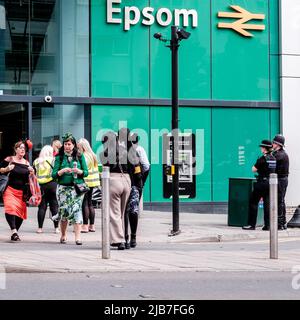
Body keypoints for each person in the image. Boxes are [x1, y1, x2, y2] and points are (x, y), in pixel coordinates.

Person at [100, 131, 140, 250]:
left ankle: (119, 240)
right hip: (126, 180)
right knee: (123, 212)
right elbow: (136, 166)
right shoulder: (126, 151)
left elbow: (105, 167)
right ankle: (126, 238)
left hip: (113, 180)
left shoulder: (104, 153)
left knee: (114, 213)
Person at [51, 133, 88, 245]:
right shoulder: (59, 157)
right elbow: (53, 175)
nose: (67, 146)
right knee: (64, 212)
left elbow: (86, 172)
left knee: (77, 211)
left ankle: (78, 238)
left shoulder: (80, 156)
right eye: (65, 144)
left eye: (69, 144)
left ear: (74, 145)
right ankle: (63, 235)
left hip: (76, 189)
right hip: (62, 189)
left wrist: (79, 171)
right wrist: (62, 171)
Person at [0, 141, 34, 241]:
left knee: (20, 214)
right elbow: (0, 169)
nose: (23, 149)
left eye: (24, 148)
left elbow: (29, 178)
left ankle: (15, 232)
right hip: (10, 189)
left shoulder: (27, 163)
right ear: (16, 150)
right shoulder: (9, 159)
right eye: (20, 147)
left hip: (22, 192)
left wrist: (32, 172)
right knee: (10, 208)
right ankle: (14, 231)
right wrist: (6, 169)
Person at [242, 140, 276, 231]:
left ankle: (251, 224)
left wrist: (257, 164)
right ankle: (267, 225)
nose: (261, 148)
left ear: (264, 148)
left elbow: (253, 169)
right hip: (270, 184)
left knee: (253, 202)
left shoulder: (262, 159)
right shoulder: (273, 158)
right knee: (267, 204)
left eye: (262, 147)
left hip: (262, 183)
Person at [124, 132, 150, 249]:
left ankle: (124, 237)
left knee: (122, 211)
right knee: (133, 210)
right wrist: (141, 182)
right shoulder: (139, 149)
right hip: (135, 184)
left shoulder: (118, 150)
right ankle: (133, 237)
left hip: (124, 182)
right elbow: (146, 166)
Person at [33, 145, 59, 234]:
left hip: (41, 186)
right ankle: (56, 228)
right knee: (54, 206)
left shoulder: (36, 161)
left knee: (42, 207)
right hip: (52, 185)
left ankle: (40, 228)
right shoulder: (53, 160)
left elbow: (34, 174)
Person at [77, 138, 100, 233]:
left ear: (82, 147)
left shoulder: (84, 156)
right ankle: (92, 225)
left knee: (84, 203)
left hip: (86, 181)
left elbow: (83, 169)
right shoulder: (93, 155)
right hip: (93, 182)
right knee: (90, 203)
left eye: (79, 147)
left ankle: (85, 225)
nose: (78, 148)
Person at [272, 134, 289, 230]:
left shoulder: (280, 155)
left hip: (281, 180)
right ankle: (281, 222)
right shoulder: (278, 153)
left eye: (274, 142)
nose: (272, 144)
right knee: (280, 200)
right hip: (280, 179)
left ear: (278, 144)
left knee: (280, 201)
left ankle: (281, 223)